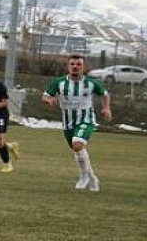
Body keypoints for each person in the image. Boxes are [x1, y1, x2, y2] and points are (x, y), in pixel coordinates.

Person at [41, 54, 112, 192]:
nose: (75, 67)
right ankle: (92, 177)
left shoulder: (91, 83)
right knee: (77, 149)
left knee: (77, 145)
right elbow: (44, 96)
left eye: (78, 64)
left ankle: (83, 178)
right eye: (72, 64)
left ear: (83, 67)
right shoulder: (59, 82)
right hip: (68, 123)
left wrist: (106, 108)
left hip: (86, 120)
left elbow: (104, 94)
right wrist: (49, 100)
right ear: (68, 66)